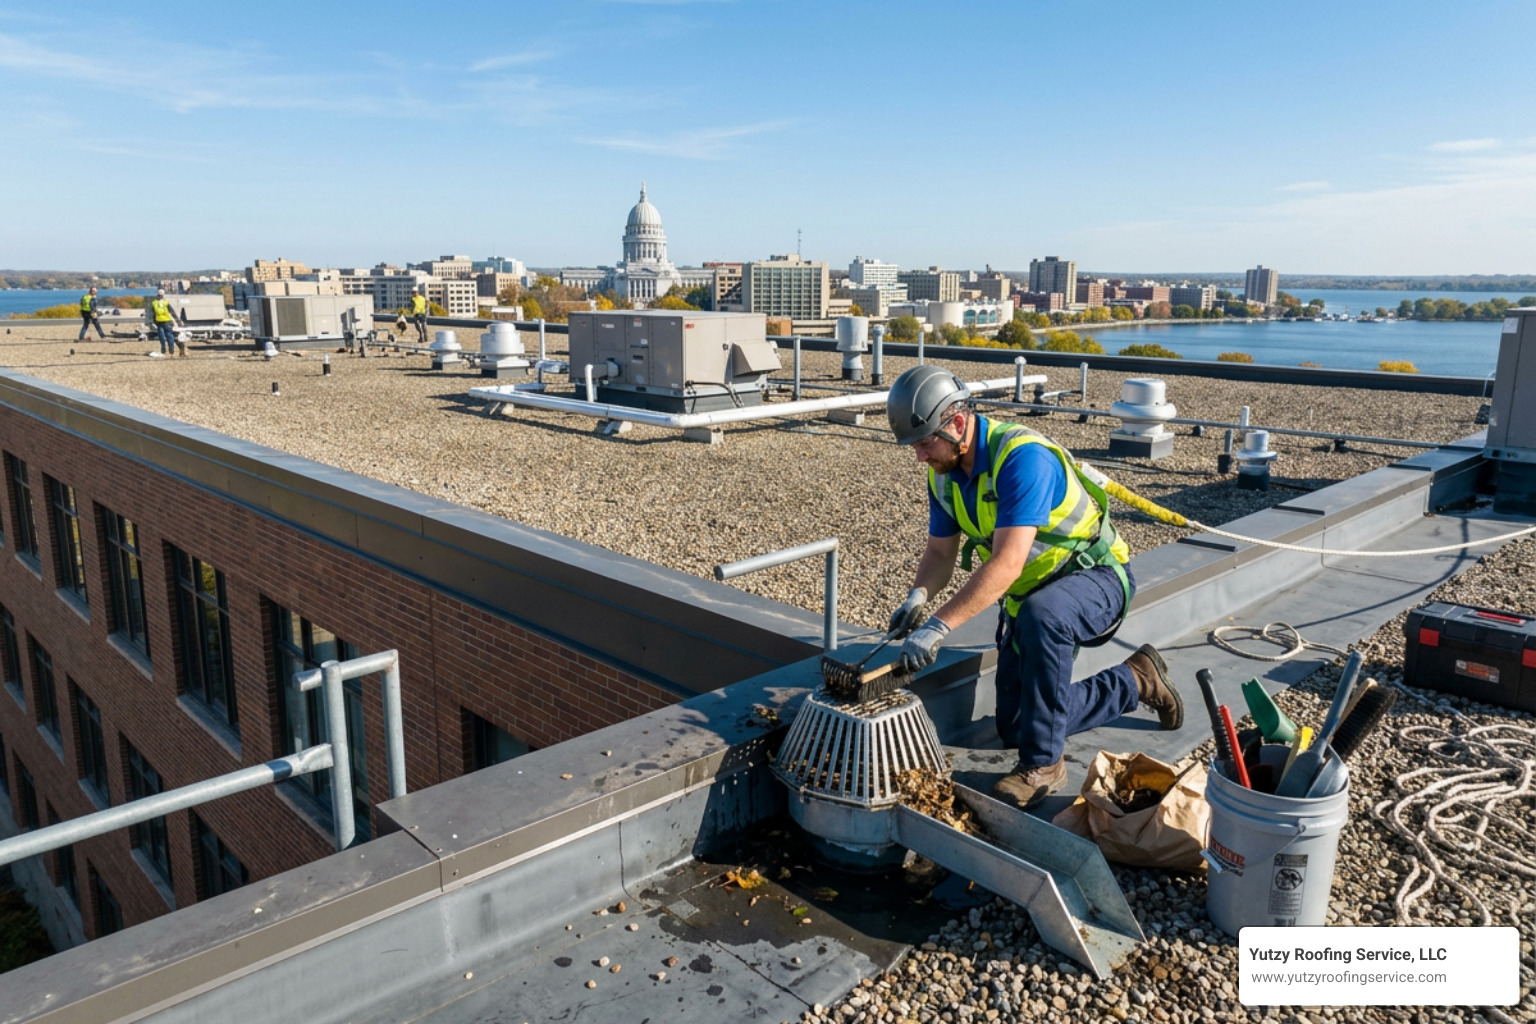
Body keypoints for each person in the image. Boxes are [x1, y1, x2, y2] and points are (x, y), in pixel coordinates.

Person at [884, 365, 1184, 810]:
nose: (920, 457)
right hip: (1030, 600)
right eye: (914, 446)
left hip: (1095, 579)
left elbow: (1008, 562)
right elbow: (940, 554)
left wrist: (939, 627)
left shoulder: (1022, 458)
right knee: (1018, 725)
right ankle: (1136, 681)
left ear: (958, 423)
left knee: (1046, 616)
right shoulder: (944, 476)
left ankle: (1044, 765)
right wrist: (918, 598)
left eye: (926, 442)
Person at [148, 290, 179, 356]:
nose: (160, 295)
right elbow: (172, 312)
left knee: (165, 336)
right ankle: (167, 350)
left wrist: (177, 320)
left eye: (160, 294)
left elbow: (172, 312)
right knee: (165, 336)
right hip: (163, 322)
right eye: (160, 294)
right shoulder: (160, 303)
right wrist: (178, 320)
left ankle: (167, 350)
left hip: (163, 322)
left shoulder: (159, 303)